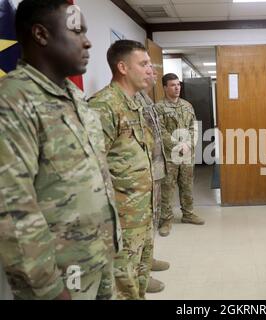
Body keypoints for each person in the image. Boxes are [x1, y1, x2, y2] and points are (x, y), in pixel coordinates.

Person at [0, 0, 121, 300]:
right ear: (41, 35)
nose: (88, 41)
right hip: (59, 280)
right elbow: (12, 209)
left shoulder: (74, 97)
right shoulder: (13, 100)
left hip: (98, 258)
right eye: (77, 31)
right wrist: (49, 288)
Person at [89, 40, 154, 300]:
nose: (150, 69)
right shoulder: (102, 106)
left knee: (138, 280)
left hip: (142, 213)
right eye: (144, 64)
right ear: (123, 67)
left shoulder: (135, 104)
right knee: (122, 287)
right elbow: (92, 168)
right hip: (121, 221)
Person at [134, 66, 170, 294]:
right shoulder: (130, 100)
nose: (153, 74)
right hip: (138, 176)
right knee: (137, 229)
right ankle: (139, 276)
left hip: (154, 168)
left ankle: (148, 261)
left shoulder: (146, 98)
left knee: (151, 220)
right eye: (146, 67)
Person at [155, 73, 204, 237]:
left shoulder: (187, 105)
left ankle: (188, 214)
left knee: (187, 185)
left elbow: (194, 127)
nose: (177, 88)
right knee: (167, 188)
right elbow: (159, 131)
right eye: (173, 85)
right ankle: (166, 220)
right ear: (165, 87)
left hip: (187, 155)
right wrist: (177, 146)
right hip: (169, 156)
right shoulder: (158, 107)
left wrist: (189, 144)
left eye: (178, 84)